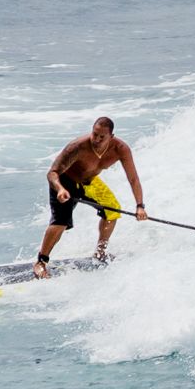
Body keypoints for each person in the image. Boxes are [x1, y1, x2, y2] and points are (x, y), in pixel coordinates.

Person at [35, 116, 146, 276]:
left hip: (89, 182)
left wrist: (140, 206)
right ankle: (41, 262)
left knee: (113, 210)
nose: (97, 139)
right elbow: (52, 173)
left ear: (111, 137)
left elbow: (133, 179)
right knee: (61, 222)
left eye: (102, 137)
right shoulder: (78, 146)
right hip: (65, 182)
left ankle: (100, 252)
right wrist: (59, 189)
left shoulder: (121, 149)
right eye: (95, 134)